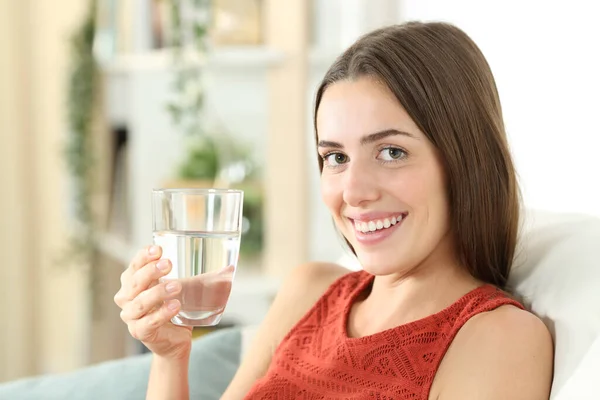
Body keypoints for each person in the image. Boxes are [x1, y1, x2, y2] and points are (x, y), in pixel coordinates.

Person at [114, 22, 554, 399]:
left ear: (465, 160)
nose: (354, 192)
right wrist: (171, 357)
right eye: (336, 158)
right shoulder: (309, 290)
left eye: (391, 152)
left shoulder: (497, 339)